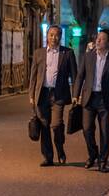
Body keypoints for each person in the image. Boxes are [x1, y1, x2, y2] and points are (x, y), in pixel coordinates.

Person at [73, 28, 109, 171]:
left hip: (105, 100)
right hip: (89, 98)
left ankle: (102, 161)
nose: (98, 40)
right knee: (87, 129)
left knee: (105, 131)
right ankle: (93, 153)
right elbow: (80, 76)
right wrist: (75, 95)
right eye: (98, 38)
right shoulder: (88, 56)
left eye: (102, 39)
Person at [28, 25, 77, 167]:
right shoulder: (38, 53)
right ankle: (48, 157)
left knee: (56, 125)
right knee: (44, 126)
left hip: (59, 95)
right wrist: (31, 95)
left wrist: (75, 94)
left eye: (56, 35)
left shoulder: (67, 53)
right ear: (47, 36)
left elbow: (75, 75)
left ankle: (60, 149)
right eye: (51, 35)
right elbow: (33, 76)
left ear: (60, 37)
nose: (53, 38)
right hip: (42, 94)